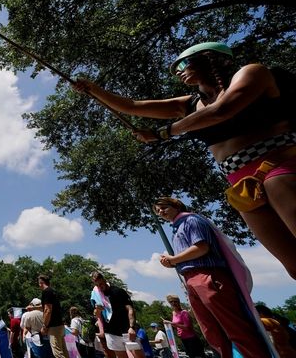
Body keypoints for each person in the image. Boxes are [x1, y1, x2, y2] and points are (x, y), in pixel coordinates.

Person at [72, 42, 296, 279]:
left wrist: (164, 133)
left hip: (277, 165)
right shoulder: (190, 104)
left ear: (212, 58)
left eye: (182, 63)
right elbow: (132, 106)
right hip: (240, 183)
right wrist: (93, 89)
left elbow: (222, 110)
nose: (178, 71)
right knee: (293, 266)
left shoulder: (252, 72)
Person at [154, 197, 272, 358]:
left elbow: (201, 247)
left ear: (176, 205)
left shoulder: (191, 220)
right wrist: (173, 262)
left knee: (234, 327)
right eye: (157, 210)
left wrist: (174, 259)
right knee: (211, 331)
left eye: (163, 207)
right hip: (190, 280)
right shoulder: (176, 228)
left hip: (207, 275)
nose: (160, 212)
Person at [90, 271, 137, 358]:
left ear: (104, 280)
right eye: (97, 285)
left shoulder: (118, 291)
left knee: (137, 355)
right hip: (111, 332)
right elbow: (96, 314)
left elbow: (130, 309)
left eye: (101, 283)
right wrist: (97, 310)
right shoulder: (96, 296)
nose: (100, 287)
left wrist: (132, 327)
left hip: (126, 330)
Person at [37, 274, 69, 358]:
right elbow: (47, 306)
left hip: (53, 327)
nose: (38, 285)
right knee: (64, 352)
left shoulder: (46, 292)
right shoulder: (52, 291)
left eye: (38, 283)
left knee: (57, 353)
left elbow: (48, 310)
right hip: (60, 325)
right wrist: (34, 307)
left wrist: (44, 326)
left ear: (41, 282)